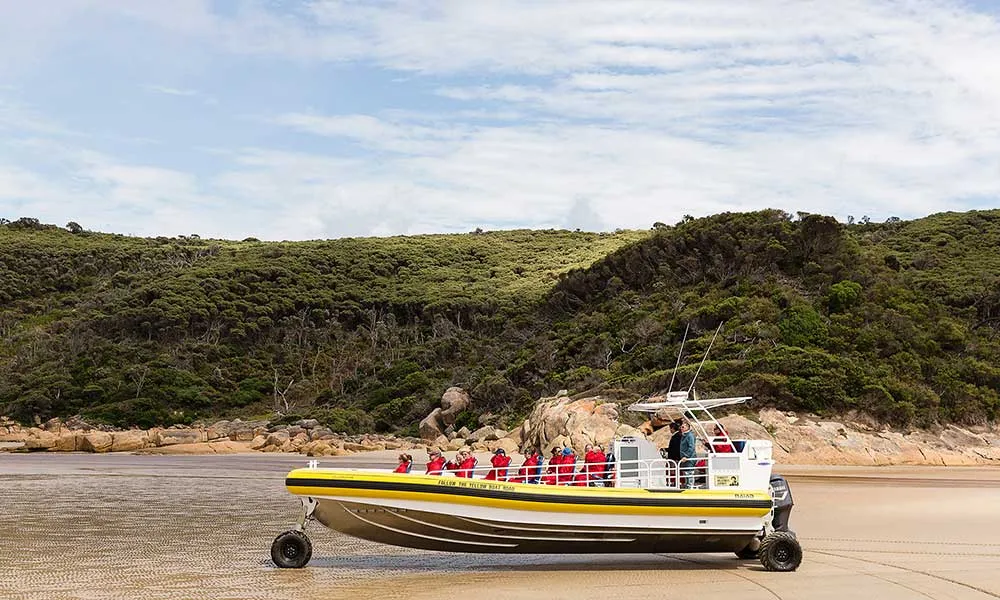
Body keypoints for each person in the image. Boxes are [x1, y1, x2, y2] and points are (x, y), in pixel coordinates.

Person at [679, 420, 697, 488]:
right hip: (684, 459)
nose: (681, 428)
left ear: (687, 427)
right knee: (686, 473)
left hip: (689, 459)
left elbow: (691, 447)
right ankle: (687, 487)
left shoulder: (689, 435)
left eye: (683, 427)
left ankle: (690, 487)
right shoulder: (684, 435)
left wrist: (686, 456)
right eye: (681, 427)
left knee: (689, 473)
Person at [666, 421, 682, 486]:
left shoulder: (676, 436)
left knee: (674, 471)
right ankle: (675, 483)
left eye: (670, 428)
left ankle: (675, 483)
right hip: (675, 457)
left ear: (672, 428)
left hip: (674, 458)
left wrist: (667, 450)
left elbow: (674, 448)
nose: (670, 430)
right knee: (674, 471)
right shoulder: (677, 435)